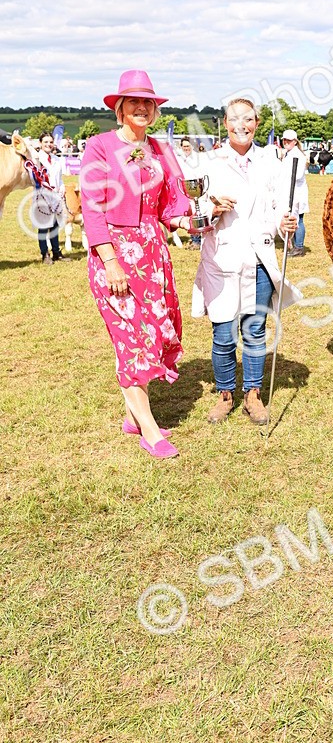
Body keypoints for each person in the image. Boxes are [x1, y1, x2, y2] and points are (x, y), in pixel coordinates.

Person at [80, 70, 194, 458]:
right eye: (134, 101)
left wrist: (198, 220)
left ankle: (133, 415)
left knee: (152, 333)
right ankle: (150, 431)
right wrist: (110, 262)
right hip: (114, 252)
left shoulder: (161, 149)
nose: (142, 107)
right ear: (120, 108)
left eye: (148, 102)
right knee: (130, 339)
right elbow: (92, 209)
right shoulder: (99, 147)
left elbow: (170, 208)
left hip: (153, 253)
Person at [192, 98, 301, 424]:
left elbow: (279, 206)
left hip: (259, 259)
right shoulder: (207, 162)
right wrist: (212, 210)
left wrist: (285, 223)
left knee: (254, 331)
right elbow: (193, 215)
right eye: (235, 118)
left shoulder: (270, 163)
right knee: (223, 334)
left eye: (249, 119)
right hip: (221, 258)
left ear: (256, 123)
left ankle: (252, 394)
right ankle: (225, 394)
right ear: (225, 122)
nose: (242, 124)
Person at [35, 131, 66, 263]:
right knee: (43, 227)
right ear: (40, 143)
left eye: (51, 142)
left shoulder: (57, 159)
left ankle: (56, 252)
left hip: (55, 197)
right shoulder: (36, 159)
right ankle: (44, 254)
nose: (49, 144)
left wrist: (62, 188)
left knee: (54, 226)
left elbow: (59, 179)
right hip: (42, 197)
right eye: (46, 142)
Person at [280, 129, 308, 257]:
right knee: (293, 217)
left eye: (289, 140)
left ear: (295, 141)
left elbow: (298, 175)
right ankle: (294, 244)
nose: (286, 142)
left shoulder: (298, 155)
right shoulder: (287, 153)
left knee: (298, 219)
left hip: (297, 192)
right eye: (284, 140)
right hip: (289, 191)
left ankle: (299, 247)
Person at [175, 136, 203, 249]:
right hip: (184, 188)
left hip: (196, 188)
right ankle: (194, 239)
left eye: (188, 146)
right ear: (181, 147)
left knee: (198, 213)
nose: (186, 148)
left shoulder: (198, 158)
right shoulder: (179, 158)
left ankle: (198, 240)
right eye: (184, 146)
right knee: (189, 214)